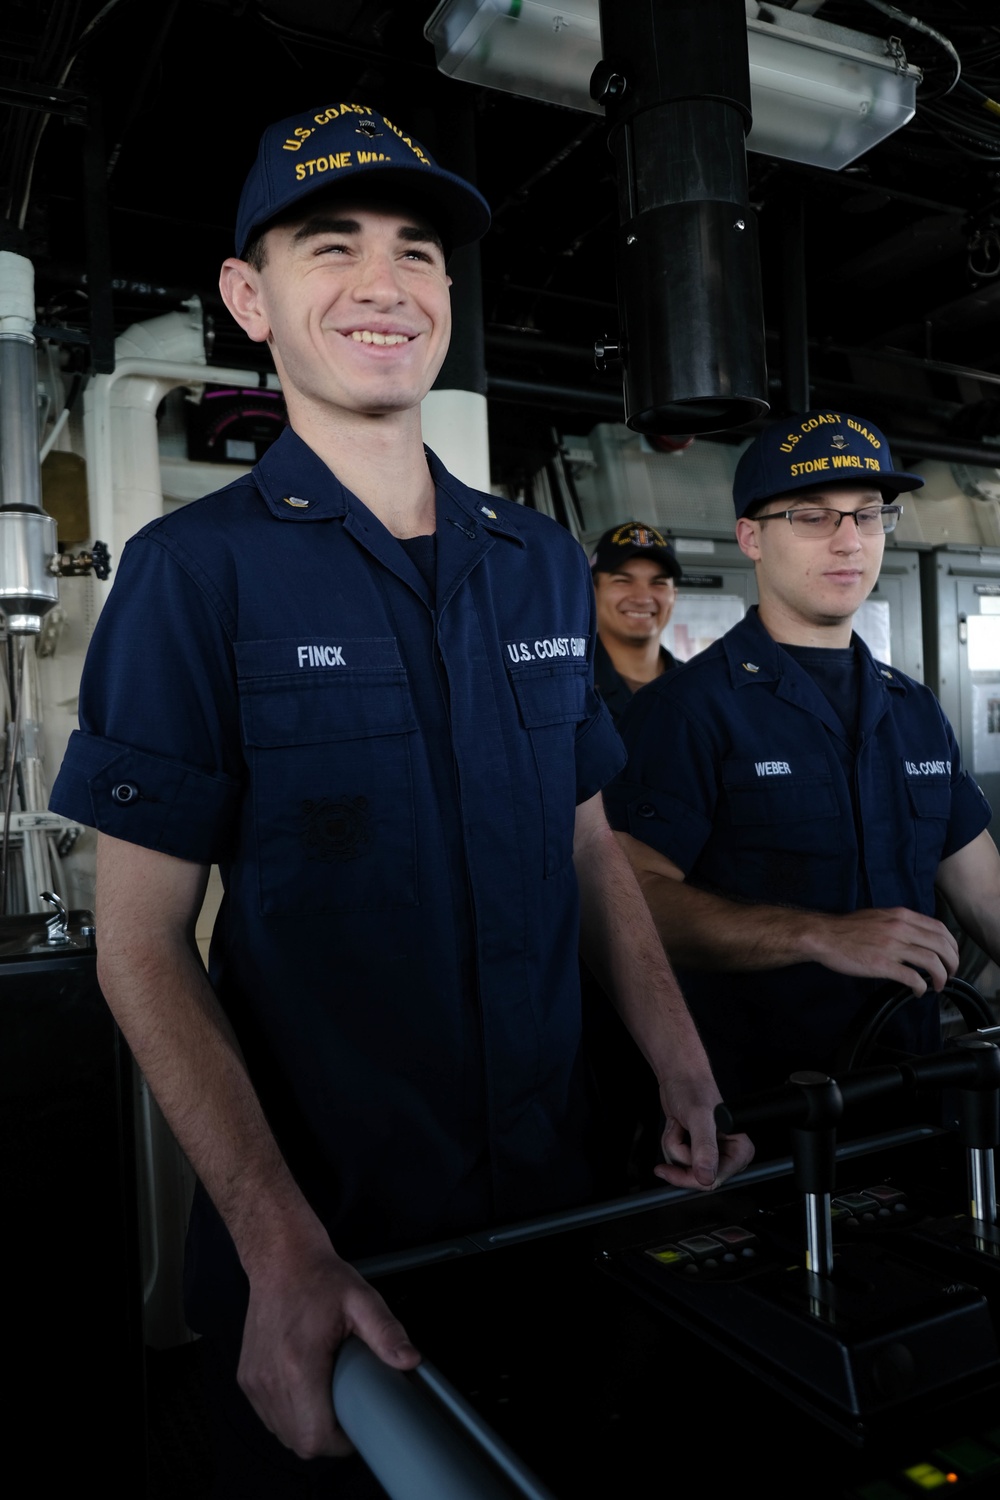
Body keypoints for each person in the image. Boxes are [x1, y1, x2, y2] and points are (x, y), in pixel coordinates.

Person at [50, 103, 751, 1491]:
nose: (385, 283)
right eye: (332, 245)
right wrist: (276, 1242)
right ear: (249, 299)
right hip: (335, 1241)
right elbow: (138, 944)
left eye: (418, 253)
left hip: (559, 1209)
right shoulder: (197, 575)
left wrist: (677, 1058)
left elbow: (586, 841)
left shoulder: (541, 561)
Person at [605, 409, 1000, 1118]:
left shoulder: (913, 710)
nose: (850, 541)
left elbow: (986, 895)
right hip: (765, 1117)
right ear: (751, 538)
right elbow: (632, 902)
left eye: (869, 515)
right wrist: (817, 934)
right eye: (814, 516)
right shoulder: (688, 712)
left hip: (915, 1097)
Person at [590, 521, 682, 724]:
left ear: (673, 596)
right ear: (593, 592)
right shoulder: (570, 687)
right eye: (622, 581)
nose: (642, 598)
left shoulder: (701, 686)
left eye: (658, 583)